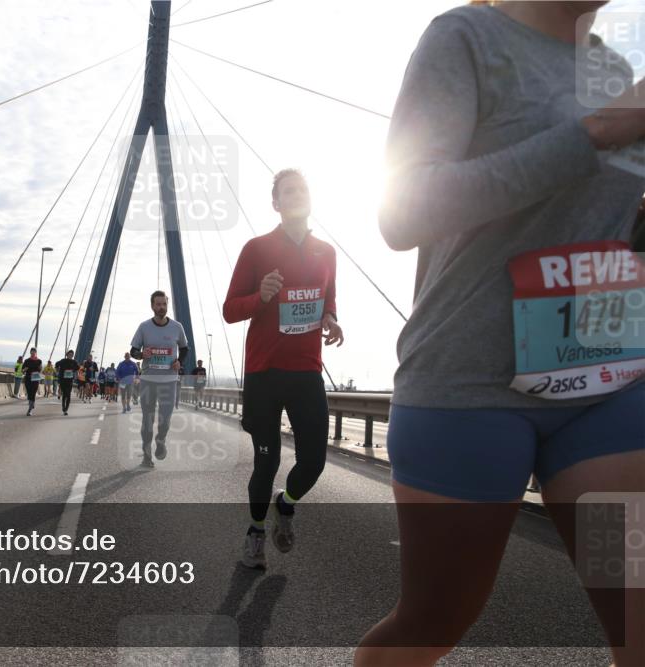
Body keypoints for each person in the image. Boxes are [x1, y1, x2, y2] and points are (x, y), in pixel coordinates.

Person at [354, 3, 645, 666]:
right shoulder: (465, 37)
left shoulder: (615, 70)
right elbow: (402, 213)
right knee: (432, 624)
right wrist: (596, 132)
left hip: (604, 381)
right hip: (470, 383)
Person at [223, 168, 343, 570]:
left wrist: (331, 318)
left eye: (302, 189)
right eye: (289, 191)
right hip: (265, 373)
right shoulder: (256, 249)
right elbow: (230, 310)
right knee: (267, 461)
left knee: (314, 463)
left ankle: (285, 503)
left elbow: (329, 298)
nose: (297, 195)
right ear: (276, 203)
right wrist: (260, 297)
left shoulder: (326, 252)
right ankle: (256, 532)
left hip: (307, 372)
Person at [130, 290, 190, 468]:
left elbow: (184, 349)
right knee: (147, 420)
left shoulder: (177, 327)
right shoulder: (144, 327)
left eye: (164, 304)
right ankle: (146, 456)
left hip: (169, 382)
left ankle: (161, 439)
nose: (161, 307)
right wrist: (142, 354)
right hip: (148, 381)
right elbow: (133, 350)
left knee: (165, 420)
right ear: (152, 306)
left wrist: (179, 362)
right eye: (158, 304)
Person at [55, 350, 80, 415]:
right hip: (63, 380)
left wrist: (74, 371)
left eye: (72, 355)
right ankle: (63, 406)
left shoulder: (74, 362)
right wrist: (57, 371)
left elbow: (78, 367)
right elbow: (56, 364)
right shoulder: (63, 361)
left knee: (68, 394)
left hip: (70, 380)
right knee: (64, 394)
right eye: (69, 354)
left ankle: (66, 409)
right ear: (67, 355)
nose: (70, 356)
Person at [22, 347, 43, 416]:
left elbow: (40, 370)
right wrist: (25, 369)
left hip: (35, 379)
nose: (33, 352)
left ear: (36, 353)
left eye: (34, 351)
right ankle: (31, 402)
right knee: (29, 392)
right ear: (30, 352)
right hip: (28, 378)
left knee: (33, 393)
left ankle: (30, 410)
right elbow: (22, 371)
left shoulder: (39, 361)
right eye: (32, 351)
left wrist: (40, 369)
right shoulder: (27, 361)